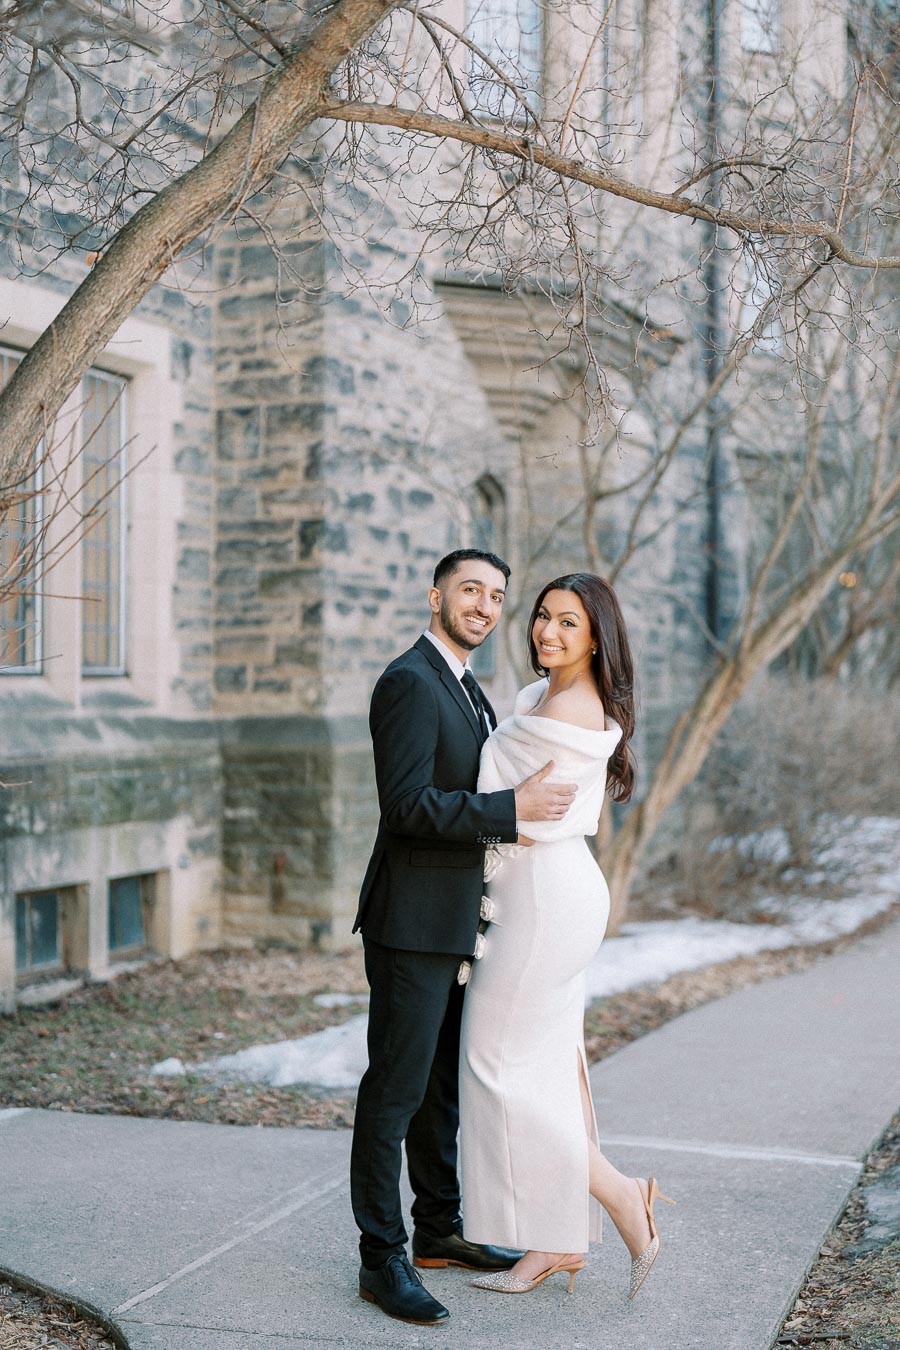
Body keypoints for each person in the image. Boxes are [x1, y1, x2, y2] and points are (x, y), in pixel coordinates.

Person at [350, 548, 579, 1327]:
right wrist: (511, 811)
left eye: (495, 596)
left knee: (442, 1090)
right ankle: (380, 1258)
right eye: (469, 590)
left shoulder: (469, 687)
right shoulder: (409, 682)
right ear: (436, 595)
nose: (483, 605)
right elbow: (407, 805)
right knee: (395, 1091)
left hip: (457, 924)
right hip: (410, 923)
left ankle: (439, 1230)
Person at [459, 572, 674, 1301]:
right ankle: (554, 1240)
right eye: (544, 617)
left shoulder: (572, 711)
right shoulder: (548, 697)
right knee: (543, 1067)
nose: (547, 632)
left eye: (568, 624)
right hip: (543, 891)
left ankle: (621, 1195)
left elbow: (527, 814)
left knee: (497, 1067)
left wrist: (493, 808)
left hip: (545, 896)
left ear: (597, 638)